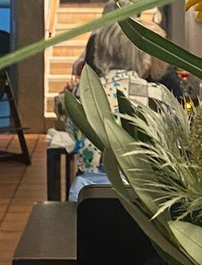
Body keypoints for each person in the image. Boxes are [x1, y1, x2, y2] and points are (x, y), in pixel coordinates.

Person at [58, 17, 175, 200]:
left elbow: (73, 132)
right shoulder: (156, 95)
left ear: (99, 52)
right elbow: (172, 141)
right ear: (145, 58)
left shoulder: (84, 91)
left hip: (88, 193)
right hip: (143, 196)